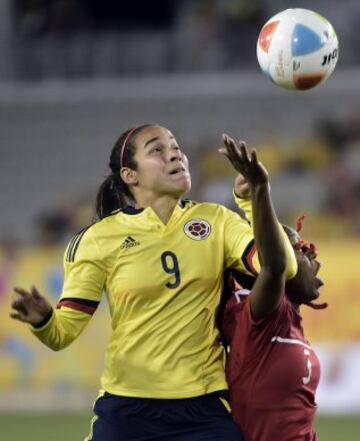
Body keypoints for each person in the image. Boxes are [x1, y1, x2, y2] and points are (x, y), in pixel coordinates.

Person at [10, 125, 297, 441]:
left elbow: (284, 267)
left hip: (201, 410)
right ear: (130, 175)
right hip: (127, 411)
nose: (174, 153)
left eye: (175, 147)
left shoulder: (217, 221)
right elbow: (61, 335)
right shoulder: (97, 240)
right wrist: (43, 319)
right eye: (157, 150)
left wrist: (255, 196)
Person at [222, 173, 327, 441]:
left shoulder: (290, 321)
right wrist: (255, 193)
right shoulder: (261, 317)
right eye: (302, 249)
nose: (315, 259)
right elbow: (274, 265)